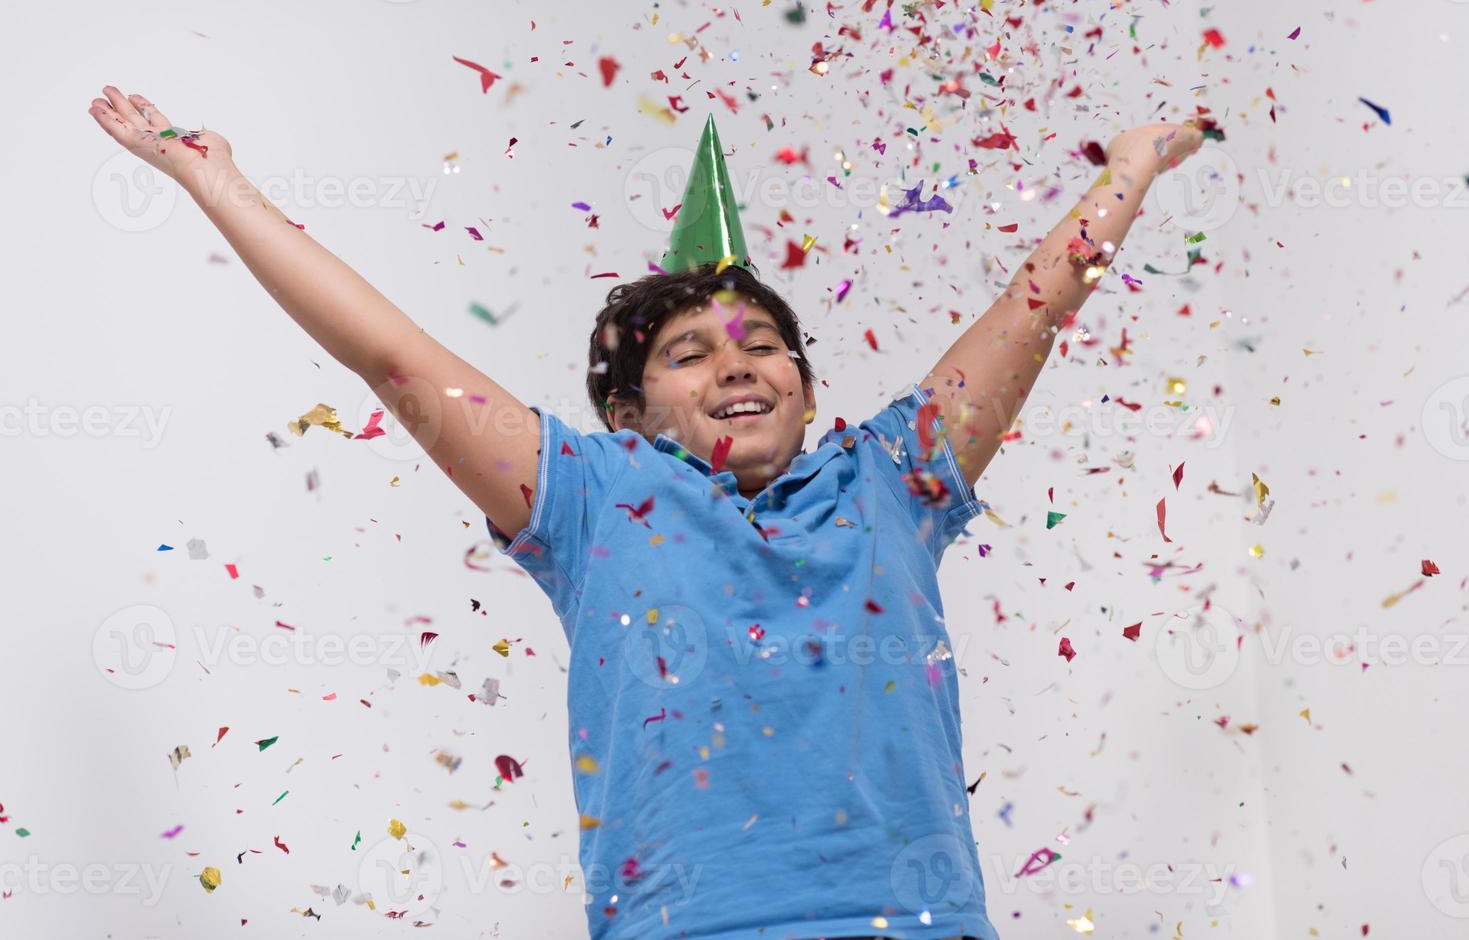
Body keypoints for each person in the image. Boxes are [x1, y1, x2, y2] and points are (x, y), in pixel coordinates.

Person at [89, 87, 1204, 939]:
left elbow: (1036, 305)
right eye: (690, 352)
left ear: (807, 388)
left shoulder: (889, 479)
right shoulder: (593, 496)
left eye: (765, 344)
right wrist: (211, 180)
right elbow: (391, 358)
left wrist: (1131, 171)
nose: (740, 363)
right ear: (629, 410)